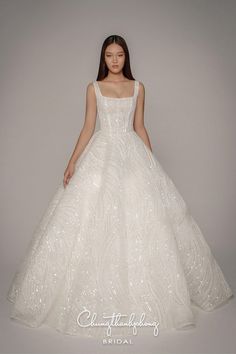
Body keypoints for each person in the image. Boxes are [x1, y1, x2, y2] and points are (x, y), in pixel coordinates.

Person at [7, 34, 233, 339]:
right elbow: (88, 127)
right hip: (102, 154)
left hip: (132, 155)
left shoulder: (139, 88)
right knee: (95, 217)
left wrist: (152, 165)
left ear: (126, 57)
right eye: (110, 55)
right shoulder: (94, 88)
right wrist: (72, 161)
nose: (115, 60)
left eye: (120, 55)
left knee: (141, 219)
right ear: (103, 58)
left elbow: (139, 126)